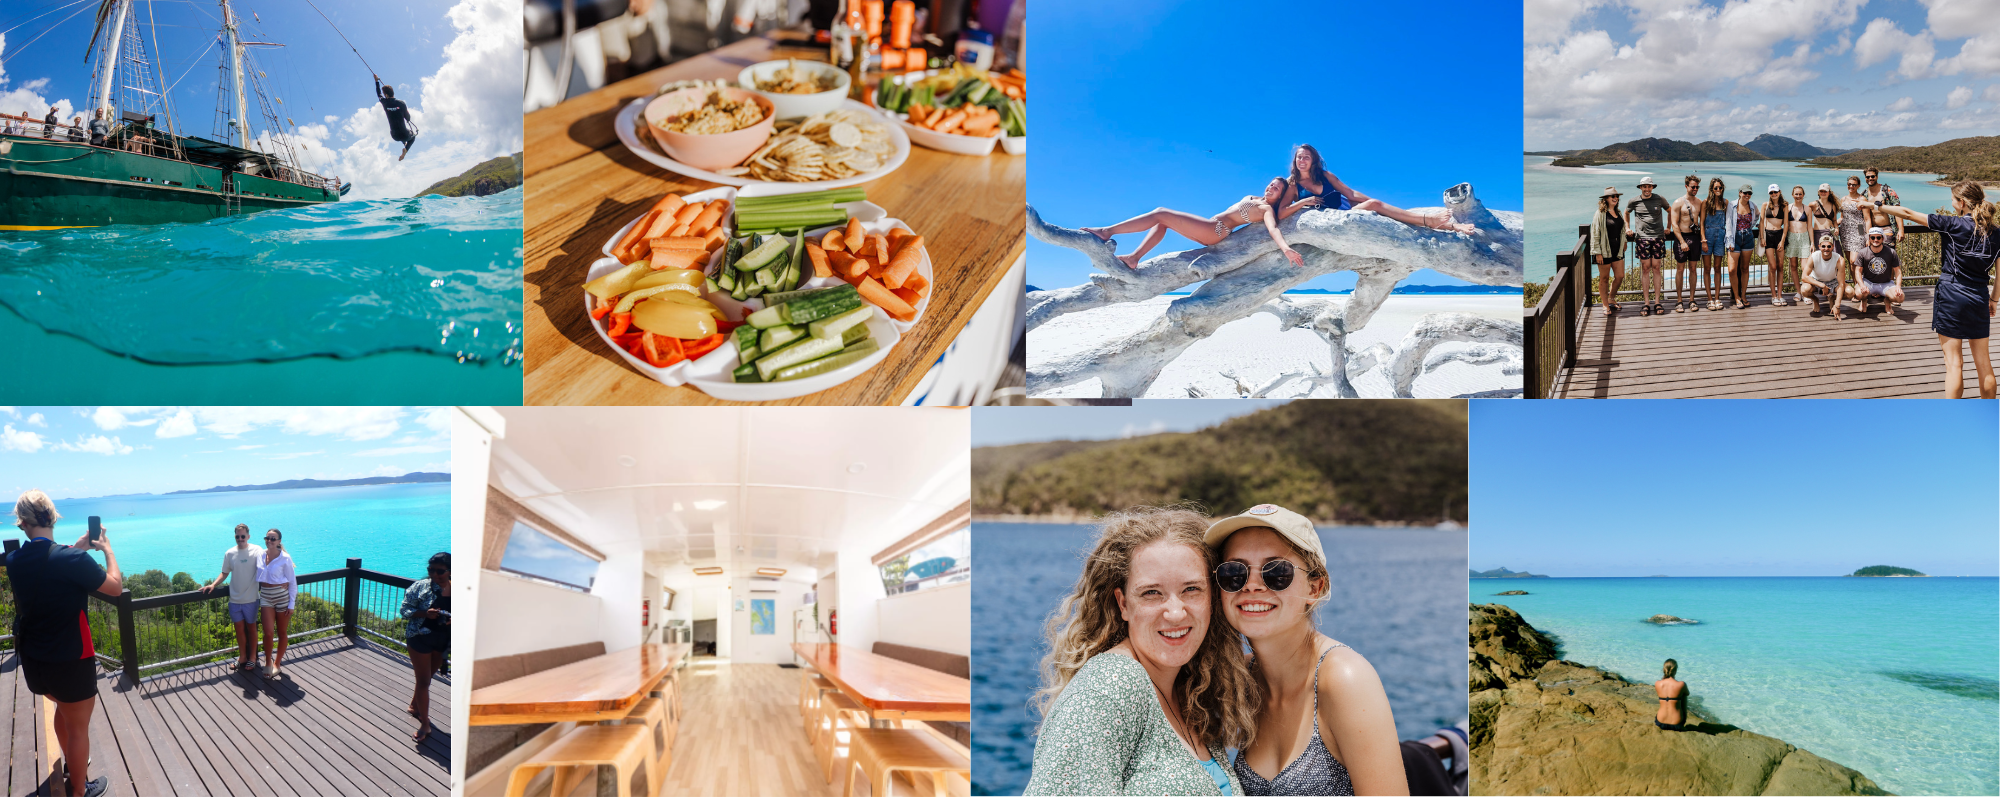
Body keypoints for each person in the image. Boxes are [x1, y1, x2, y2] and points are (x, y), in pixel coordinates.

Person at [1025, 507, 1257, 796]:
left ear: (1211, 596)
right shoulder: (1109, 687)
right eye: (1151, 593)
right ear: (1123, 604)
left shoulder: (1189, 695)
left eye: (1191, 590)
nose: (1175, 612)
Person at [1206, 505, 1406, 796]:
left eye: (1276, 572)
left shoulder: (1344, 678)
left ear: (1314, 588)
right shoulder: (1241, 680)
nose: (1251, 585)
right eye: (1233, 573)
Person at [7, 490, 122, 797]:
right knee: (79, 727)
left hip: (36, 662)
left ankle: (72, 765)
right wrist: (107, 551)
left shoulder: (15, 560)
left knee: (62, 710)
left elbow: (48, 564)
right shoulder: (72, 560)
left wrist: (78, 547)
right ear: (53, 516)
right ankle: (79, 791)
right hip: (71, 660)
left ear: (21, 522)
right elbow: (115, 587)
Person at [1873, 181, 2000, 398]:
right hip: (1978, 296)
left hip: (1951, 295)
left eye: (1953, 200)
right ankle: (1989, 413)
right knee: (1984, 363)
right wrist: (1993, 300)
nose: (1951, 204)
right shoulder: (1997, 233)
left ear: (1961, 203)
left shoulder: (1952, 224)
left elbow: (1907, 213)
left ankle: (1950, 419)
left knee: (1954, 364)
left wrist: (1876, 206)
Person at [1081, 177, 1315, 270]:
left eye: (1277, 188)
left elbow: (1273, 228)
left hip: (1216, 231)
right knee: (1163, 223)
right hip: (1210, 226)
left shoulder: (1265, 209)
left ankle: (1106, 231)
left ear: (1281, 195)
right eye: (1270, 184)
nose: (1271, 187)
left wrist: (1285, 248)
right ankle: (1134, 258)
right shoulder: (1253, 197)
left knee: (1161, 212)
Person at [1279, 144, 1476, 236]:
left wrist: (1372, 202)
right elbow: (1282, 211)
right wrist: (1303, 202)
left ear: (1313, 160)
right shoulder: (1293, 184)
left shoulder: (1326, 175)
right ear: (1295, 161)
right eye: (1299, 157)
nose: (1302, 160)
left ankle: (1451, 226)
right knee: (1377, 205)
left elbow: (1351, 194)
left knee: (1384, 209)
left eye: (1306, 157)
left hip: (1347, 209)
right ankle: (1430, 221)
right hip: (1328, 220)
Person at [199, 524, 265, 671]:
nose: (240, 539)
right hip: (234, 600)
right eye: (237, 536)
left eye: (243, 536)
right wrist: (213, 585)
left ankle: (253, 657)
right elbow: (224, 573)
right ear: (235, 537)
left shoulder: (257, 550)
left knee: (252, 629)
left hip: (251, 599)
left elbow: (267, 564)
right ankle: (242, 657)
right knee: (239, 630)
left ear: (248, 536)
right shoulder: (230, 553)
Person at [402, 552, 451, 743]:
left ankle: (415, 706)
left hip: (442, 641)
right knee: (423, 682)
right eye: (431, 570)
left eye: (440, 571)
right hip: (419, 638)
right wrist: (425, 613)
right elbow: (405, 610)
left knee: (427, 678)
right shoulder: (420, 587)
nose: (434, 574)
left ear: (450, 571)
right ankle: (425, 724)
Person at [1625, 176, 1671, 316]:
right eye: (1644, 186)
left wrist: (1669, 227)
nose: (1647, 189)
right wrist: (1627, 228)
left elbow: (1670, 211)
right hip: (1642, 238)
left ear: (1652, 187)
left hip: (1658, 237)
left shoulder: (1659, 199)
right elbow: (1626, 213)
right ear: (1640, 187)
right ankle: (1646, 303)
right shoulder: (1634, 201)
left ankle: (1657, 302)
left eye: (1649, 186)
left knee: (1656, 268)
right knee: (1645, 269)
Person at [255, 528, 297, 678]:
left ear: (279, 541)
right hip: (265, 595)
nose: (269, 541)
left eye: (273, 539)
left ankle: (277, 664)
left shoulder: (285, 558)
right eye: (267, 538)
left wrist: (291, 604)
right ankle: (267, 662)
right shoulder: (260, 555)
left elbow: (292, 582)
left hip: (282, 597)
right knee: (268, 632)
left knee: (282, 632)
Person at [1668, 175, 1705, 313]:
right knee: (1680, 269)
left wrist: (1703, 239)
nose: (1695, 189)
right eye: (1693, 187)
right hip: (1681, 238)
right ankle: (1679, 300)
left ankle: (1691, 299)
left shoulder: (1700, 202)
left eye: (1697, 187)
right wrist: (1682, 241)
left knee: (1693, 269)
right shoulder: (1678, 203)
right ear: (1686, 186)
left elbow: (1702, 222)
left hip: (1695, 238)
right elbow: (1674, 224)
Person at [1589, 187, 1626, 315]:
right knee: (1604, 278)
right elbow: (1595, 233)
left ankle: (1611, 298)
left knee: (1620, 276)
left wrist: (1624, 241)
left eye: (1617, 196)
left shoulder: (1618, 212)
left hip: (1617, 250)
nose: (1615, 198)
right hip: (1604, 251)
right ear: (1606, 199)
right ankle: (1605, 304)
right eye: (1612, 196)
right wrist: (1597, 252)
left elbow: (1622, 229)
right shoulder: (1600, 213)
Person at [1853, 228, 1904, 312]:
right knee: (1858, 293)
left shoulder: (1891, 252)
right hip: (1868, 282)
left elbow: (1898, 271)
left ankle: (1887, 300)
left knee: (1900, 298)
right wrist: (1862, 285)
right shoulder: (1863, 252)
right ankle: (1864, 301)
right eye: (1872, 237)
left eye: (1878, 237)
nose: (1875, 240)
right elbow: (1858, 271)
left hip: (1886, 284)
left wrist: (1898, 286)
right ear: (1869, 238)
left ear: (1882, 238)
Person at [1723, 185, 1756, 309]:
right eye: (1745, 193)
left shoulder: (1752, 206)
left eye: (1749, 193)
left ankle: (1743, 296)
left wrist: (1752, 227)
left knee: (1745, 268)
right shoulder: (1732, 205)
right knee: (1732, 269)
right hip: (1734, 238)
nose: (1747, 195)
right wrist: (1730, 241)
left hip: (1748, 237)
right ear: (1740, 193)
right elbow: (1728, 222)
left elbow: (1757, 216)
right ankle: (1736, 296)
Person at [1699, 178, 1729, 311]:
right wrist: (1703, 240)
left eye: (1720, 188)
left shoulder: (1725, 203)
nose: (1718, 190)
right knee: (1707, 268)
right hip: (1708, 235)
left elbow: (1729, 221)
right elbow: (1701, 223)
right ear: (1711, 189)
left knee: (1718, 268)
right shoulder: (1705, 203)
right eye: (1715, 188)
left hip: (1721, 236)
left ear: (1722, 189)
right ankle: (1709, 299)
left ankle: (1717, 298)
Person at [1799, 235, 1846, 319]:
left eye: (1829, 246)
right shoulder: (1813, 257)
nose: (1826, 249)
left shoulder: (1839, 259)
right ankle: (1815, 300)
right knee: (1804, 289)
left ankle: (1832, 298)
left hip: (1833, 282)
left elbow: (1841, 284)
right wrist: (1822, 285)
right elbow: (1804, 276)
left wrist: (1837, 305)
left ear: (1832, 247)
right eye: (1823, 246)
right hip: (1816, 281)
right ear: (1819, 246)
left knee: (1850, 292)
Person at [375, 75, 418, 161]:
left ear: (386, 95)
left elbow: (379, 94)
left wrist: (376, 81)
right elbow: (408, 118)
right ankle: (406, 149)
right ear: (393, 92)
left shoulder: (385, 103)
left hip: (394, 136)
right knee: (412, 137)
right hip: (405, 134)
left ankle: (404, 143)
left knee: (401, 134)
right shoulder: (401, 103)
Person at [1761, 185, 1792, 305]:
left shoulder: (1784, 205)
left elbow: (1786, 224)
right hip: (1768, 235)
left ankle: (1780, 294)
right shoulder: (1765, 205)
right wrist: (1762, 238)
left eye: (1775, 192)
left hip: (1779, 235)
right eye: (1771, 192)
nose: (1774, 194)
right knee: (1772, 267)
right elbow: (1762, 222)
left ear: (1780, 192)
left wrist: (1783, 240)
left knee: (1780, 266)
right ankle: (1773, 295)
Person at [1783, 185, 1813, 307]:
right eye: (1796, 194)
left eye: (1800, 194)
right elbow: (1785, 224)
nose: (1798, 196)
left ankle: (1806, 292)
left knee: (1805, 267)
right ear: (1792, 195)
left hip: (1804, 238)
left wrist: (1812, 243)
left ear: (1803, 195)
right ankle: (1798, 291)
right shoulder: (1787, 208)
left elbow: (1810, 226)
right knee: (1793, 266)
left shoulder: (1808, 209)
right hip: (1791, 238)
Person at [1839, 176, 1871, 280]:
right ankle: (1857, 287)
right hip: (1845, 232)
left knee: (1854, 261)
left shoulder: (1862, 199)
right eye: (1849, 184)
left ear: (1858, 186)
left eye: (1854, 184)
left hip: (1859, 231)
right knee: (1850, 263)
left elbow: (1867, 219)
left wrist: (1868, 237)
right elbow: (1842, 217)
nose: (1851, 186)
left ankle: (1862, 286)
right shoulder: (1843, 199)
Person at [1863, 167, 1902, 250]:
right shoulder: (1864, 195)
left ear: (1877, 177)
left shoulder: (1888, 191)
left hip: (1887, 230)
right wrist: (1868, 236)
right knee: (1875, 259)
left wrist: (1901, 230)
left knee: (1888, 256)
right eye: (1868, 177)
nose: (1870, 178)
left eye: (1872, 176)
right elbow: (1867, 219)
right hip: (1873, 232)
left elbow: (1898, 211)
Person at [1654, 659, 1690, 732]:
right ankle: (1683, 722)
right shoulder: (1681, 684)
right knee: (1684, 695)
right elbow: (1687, 693)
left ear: (1664, 669)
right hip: (1677, 723)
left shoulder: (1657, 683)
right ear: (1675, 670)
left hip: (1660, 722)